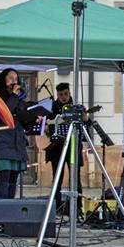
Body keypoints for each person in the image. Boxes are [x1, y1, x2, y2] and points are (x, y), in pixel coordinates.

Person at [0, 68, 39, 199]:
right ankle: (2, 209)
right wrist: (14, 96)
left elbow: (23, 120)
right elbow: (4, 113)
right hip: (3, 142)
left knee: (14, 177)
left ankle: (10, 208)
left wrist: (34, 119)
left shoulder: (19, 99)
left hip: (17, 142)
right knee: (5, 175)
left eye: (16, 78)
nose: (14, 81)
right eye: (11, 78)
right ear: (4, 79)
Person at [44, 83, 85, 211]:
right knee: (57, 178)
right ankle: (55, 207)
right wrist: (47, 127)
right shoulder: (52, 107)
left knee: (75, 179)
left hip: (73, 148)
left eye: (66, 94)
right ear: (57, 95)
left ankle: (77, 207)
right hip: (56, 148)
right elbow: (44, 124)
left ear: (70, 93)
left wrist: (86, 117)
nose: (63, 97)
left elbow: (86, 122)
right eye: (61, 95)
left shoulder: (77, 108)